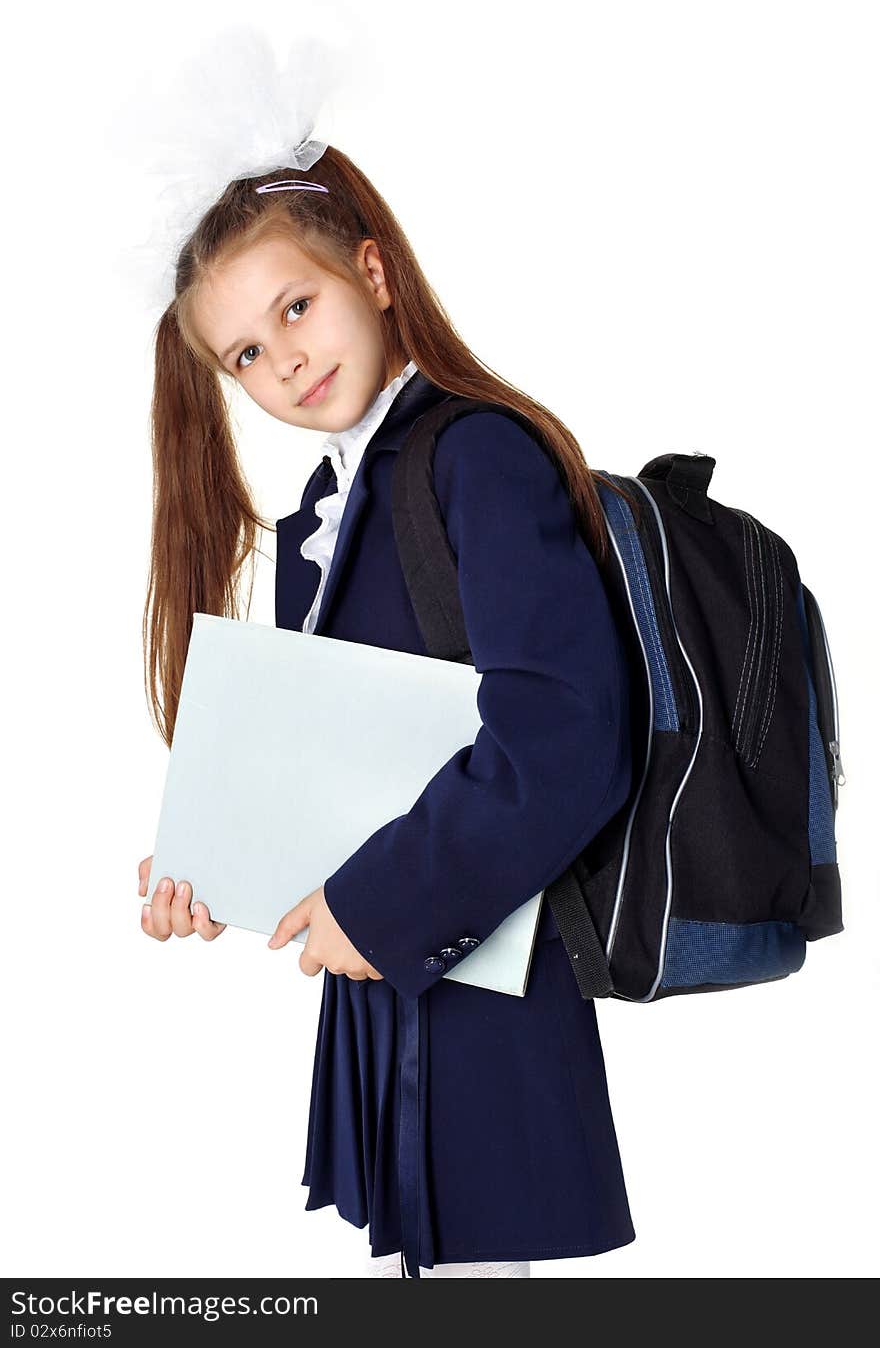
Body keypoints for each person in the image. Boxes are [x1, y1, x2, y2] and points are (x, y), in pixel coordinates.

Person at [136, 140, 637, 1278]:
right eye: (248, 352)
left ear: (372, 272)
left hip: (480, 969)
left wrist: (379, 903)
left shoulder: (474, 453)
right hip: (398, 971)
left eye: (296, 305)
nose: (285, 360)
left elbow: (562, 741)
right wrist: (218, 866)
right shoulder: (330, 502)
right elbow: (349, 756)